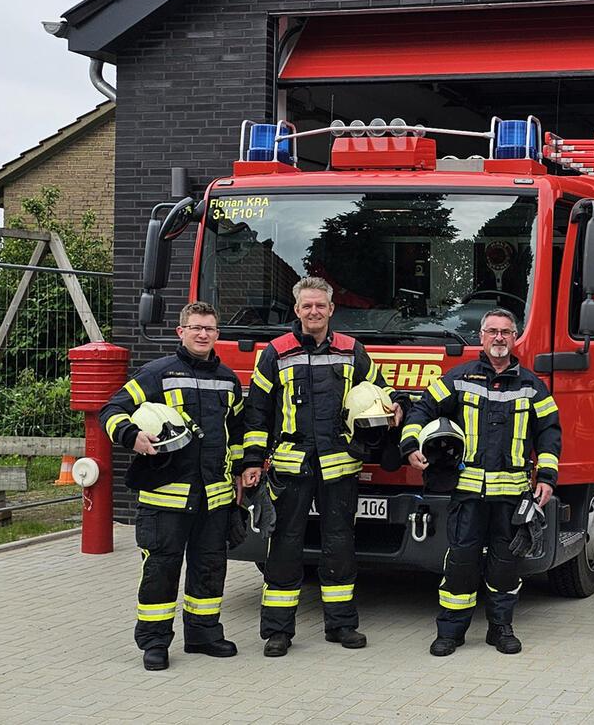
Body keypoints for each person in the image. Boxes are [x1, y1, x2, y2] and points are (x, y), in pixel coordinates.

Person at [399, 307, 560, 656]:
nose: (499, 338)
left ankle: (500, 629)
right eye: (492, 331)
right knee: (460, 563)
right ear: (481, 337)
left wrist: (547, 476)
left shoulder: (533, 386)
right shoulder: (457, 379)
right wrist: (410, 444)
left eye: (506, 332)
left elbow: (549, 433)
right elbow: (421, 409)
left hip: (513, 496)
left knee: (506, 565)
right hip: (468, 494)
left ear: (514, 338)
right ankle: (451, 632)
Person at [238, 276, 385, 657]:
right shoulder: (275, 352)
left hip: (339, 466)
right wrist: (252, 461)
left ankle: (341, 625)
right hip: (290, 467)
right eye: (307, 306)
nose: (314, 311)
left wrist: (395, 407)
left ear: (332, 309)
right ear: (297, 309)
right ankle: (277, 632)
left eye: (321, 305)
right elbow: (257, 413)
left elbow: (378, 394)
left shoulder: (354, 351)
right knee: (283, 548)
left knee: (340, 546)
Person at [99, 301, 243, 671]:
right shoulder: (156, 373)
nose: (202, 334)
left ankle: (204, 633)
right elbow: (111, 410)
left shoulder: (229, 380)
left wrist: (242, 472)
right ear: (181, 332)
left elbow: (236, 434)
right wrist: (133, 436)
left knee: (210, 568)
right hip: (166, 497)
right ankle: (154, 642)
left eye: (209, 329)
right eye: (195, 327)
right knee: (161, 570)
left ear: (217, 335)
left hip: (215, 496)